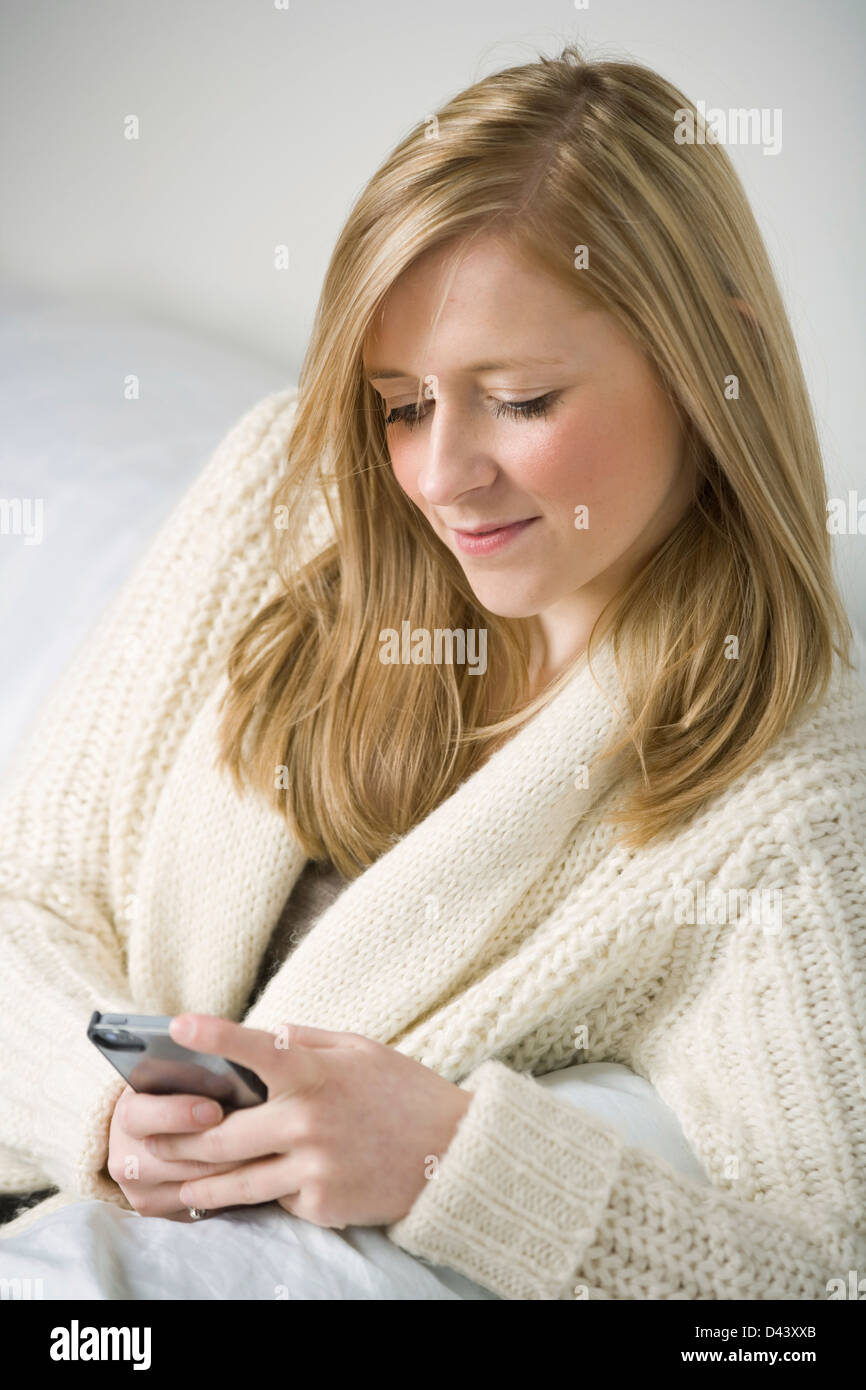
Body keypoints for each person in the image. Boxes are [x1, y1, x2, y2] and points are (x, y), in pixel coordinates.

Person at [1, 42, 864, 1301]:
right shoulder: (286, 503)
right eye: (402, 403)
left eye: (517, 399)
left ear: (709, 365)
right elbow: (28, 891)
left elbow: (820, 1284)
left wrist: (451, 1163)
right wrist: (95, 1110)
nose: (439, 475)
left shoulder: (778, 801)